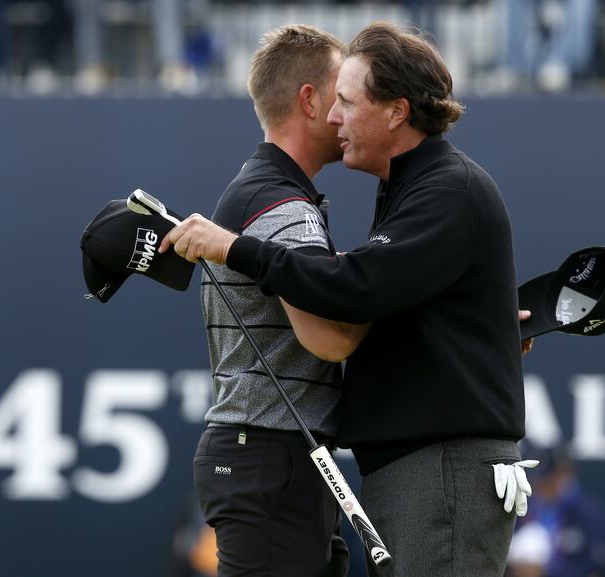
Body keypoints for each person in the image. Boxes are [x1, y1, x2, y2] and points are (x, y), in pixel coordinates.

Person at [161, 21, 534, 577]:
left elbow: (354, 298)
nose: (337, 117)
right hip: (397, 466)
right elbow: (367, 300)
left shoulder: (443, 186)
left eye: (349, 102)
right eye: (334, 101)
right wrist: (468, 327)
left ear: (397, 111)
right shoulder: (405, 187)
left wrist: (237, 249)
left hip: (437, 468)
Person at [189, 24, 359, 577]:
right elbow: (331, 339)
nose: (350, 109)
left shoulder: (265, 189)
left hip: (271, 455)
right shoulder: (280, 204)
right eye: (344, 92)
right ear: (309, 100)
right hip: (269, 455)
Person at [505, 443, 605, 577]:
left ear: (564, 475)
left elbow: (596, 564)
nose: (540, 487)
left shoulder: (589, 513)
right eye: (537, 481)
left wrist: (546, 570)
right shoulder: (522, 506)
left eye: (548, 481)